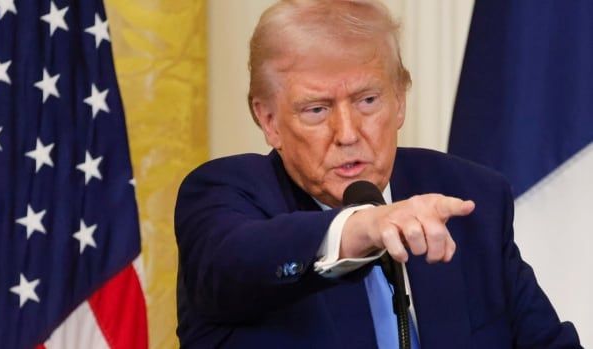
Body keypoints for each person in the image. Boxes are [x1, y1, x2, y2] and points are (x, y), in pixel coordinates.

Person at [174, 0, 581, 348]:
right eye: (317, 109)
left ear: (400, 100)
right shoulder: (224, 197)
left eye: (367, 100)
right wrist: (363, 227)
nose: (348, 133)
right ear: (269, 120)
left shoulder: (469, 197)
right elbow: (233, 262)